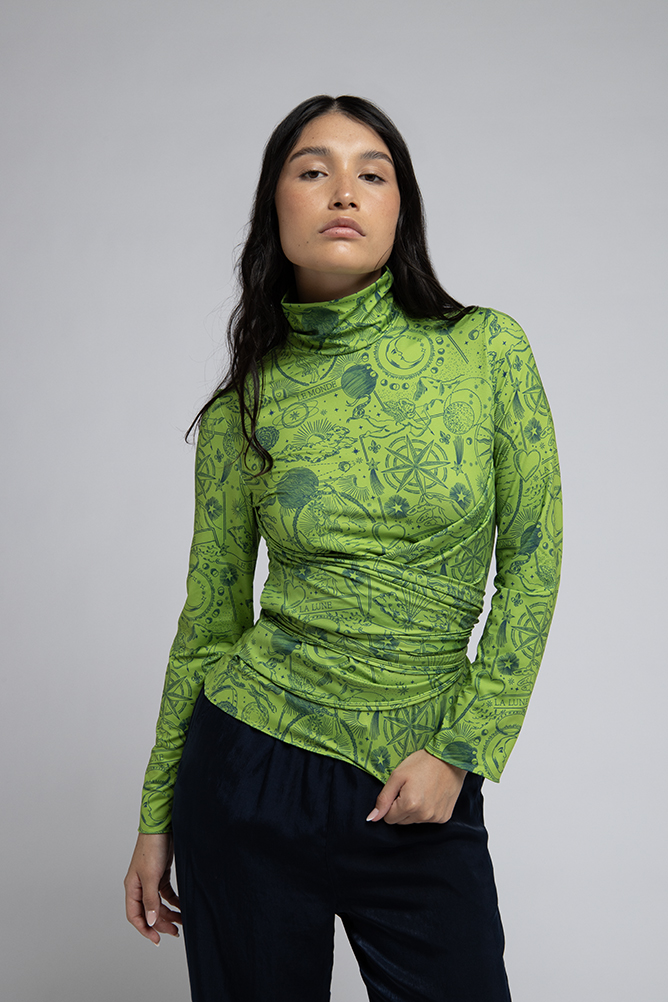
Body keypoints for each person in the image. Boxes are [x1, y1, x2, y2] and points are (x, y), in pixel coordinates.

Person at [124, 94, 562, 1002]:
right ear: (274, 207)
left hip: (420, 777)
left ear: (401, 210)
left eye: (373, 173)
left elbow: (534, 561)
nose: (344, 192)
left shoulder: (487, 350)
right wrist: (154, 816)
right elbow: (209, 622)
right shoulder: (241, 408)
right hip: (247, 772)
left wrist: (460, 751)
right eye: (313, 170)